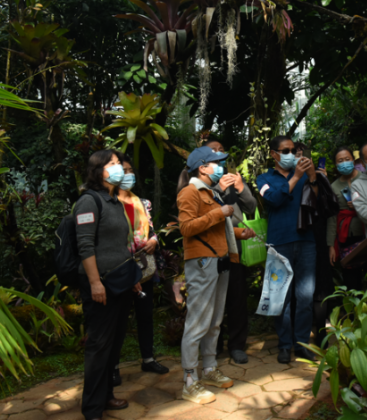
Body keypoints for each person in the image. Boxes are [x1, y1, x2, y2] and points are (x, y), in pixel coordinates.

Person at [176, 146, 256, 404]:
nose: (221, 167)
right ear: (202, 167)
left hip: (220, 260)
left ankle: (209, 369)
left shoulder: (212, 192)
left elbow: (218, 228)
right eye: (216, 163)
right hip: (202, 261)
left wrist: (240, 233)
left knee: (214, 320)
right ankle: (190, 380)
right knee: (198, 321)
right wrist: (218, 213)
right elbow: (186, 227)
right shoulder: (190, 192)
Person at [75, 149, 141, 420]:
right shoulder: (89, 201)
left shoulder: (113, 201)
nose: (119, 168)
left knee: (113, 344)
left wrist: (132, 279)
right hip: (100, 284)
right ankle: (92, 408)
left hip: (120, 282)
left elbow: (120, 245)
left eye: (119, 164)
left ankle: (106, 396)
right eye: (112, 164)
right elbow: (85, 245)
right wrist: (94, 282)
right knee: (99, 345)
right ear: (97, 170)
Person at [256, 135, 319, 364]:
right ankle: (284, 345)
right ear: (274, 154)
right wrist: (297, 177)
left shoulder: (303, 175)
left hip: (306, 240)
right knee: (280, 297)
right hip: (279, 242)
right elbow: (274, 199)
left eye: (293, 150)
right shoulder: (263, 178)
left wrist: (312, 177)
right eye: (285, 151)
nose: (291, 154)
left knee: (305, 297)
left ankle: (301, 344)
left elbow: (318, 202)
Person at [112, 154, 169, 386]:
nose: (128, 175)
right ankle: (113, 367)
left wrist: (154, 240)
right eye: (123, 171)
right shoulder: (109, 204)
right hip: (119, 269)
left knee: (145, 315)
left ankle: (148, 359)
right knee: (118, 320)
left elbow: (151, 229)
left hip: (144, 268)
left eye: (130, 170)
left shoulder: (143, 203)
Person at [205, 139, 257, 365]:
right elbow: (202, 216)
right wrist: (218, 188)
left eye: (221, 150)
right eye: (213, 151)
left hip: (234, 251)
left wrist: (241, 187)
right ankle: (213, 345)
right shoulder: (200, 184)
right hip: (210, 252)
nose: (218, 154)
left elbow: (251, 207)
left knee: (237, 299)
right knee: (213, 301)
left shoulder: (233, 179)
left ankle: (237, 345)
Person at [327, 146, 365, 292]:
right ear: (336, 165)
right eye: (340, 161)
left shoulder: (365, 178)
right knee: (351, 280)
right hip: (346, 237)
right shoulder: (333, 186)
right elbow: (332, 217)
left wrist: (359, 206)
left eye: (347, 159)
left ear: (353, 160)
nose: (344, 163)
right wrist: (331, 245)